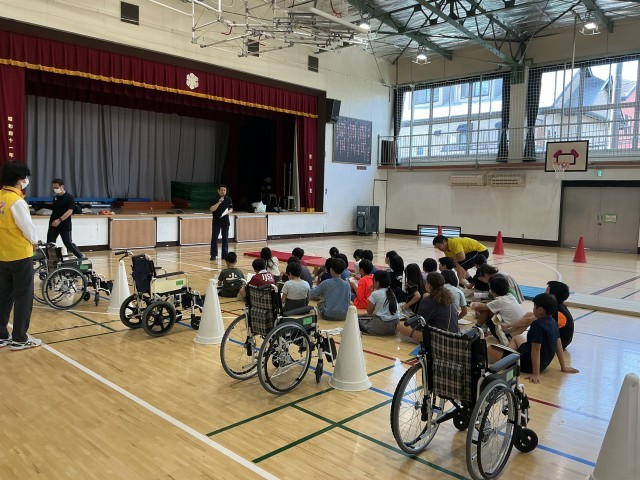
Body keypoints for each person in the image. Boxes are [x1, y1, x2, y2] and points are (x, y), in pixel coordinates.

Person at [488, 293, 579, 384]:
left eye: (534, 307)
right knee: (517, 337)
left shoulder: (537, 325)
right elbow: (558, 344)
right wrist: (563, 367)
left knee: (490, 349)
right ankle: (507, 358)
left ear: (540, 310)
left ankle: (506, 361)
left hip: (528, 364)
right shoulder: (553, 322)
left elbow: (536, 350)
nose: (533, 309)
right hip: (542, 362)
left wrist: (535, 373)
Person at [0, 162, 42, 350]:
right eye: (25, 178)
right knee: (23, 296)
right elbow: (27, 228)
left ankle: (1, 335)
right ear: (20, 180)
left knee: (4, 295)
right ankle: (19, 338)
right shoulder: (16, 201)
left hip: (2, 254)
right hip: (19, 254)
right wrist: (35, 241)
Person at [397, 272, 458, 343]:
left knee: (400, 328)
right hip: (454, 335)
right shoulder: (449, 298)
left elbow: (418, 323)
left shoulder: (429, 301)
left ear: (429, 285)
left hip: (439, 338)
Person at [471, 275, 531, 345]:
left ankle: (476, 329)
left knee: (486, 309)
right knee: (491, 308)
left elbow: (480, 307)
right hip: (515, 329)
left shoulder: (499, 301)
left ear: (492, 290)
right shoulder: (510, 296)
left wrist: (473, 304)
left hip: (505, 332)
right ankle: (485, 330)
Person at [47, 178, 83, 258]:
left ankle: (80, 257)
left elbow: (69, 211)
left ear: (62, 186)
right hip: (53, 224)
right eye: (53, 187)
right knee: (50, 243)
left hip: (64, 224)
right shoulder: (55, 198)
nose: (54, 189)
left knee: (68, 243)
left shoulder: (69, 197)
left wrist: (59, 220)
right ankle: (51, 260)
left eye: (56, 187)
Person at [358, 270, 399, 336]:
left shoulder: (375, 293)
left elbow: (369, 312)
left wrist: (371, 293)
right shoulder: (391, 293)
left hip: (382, 326)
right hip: (394, 327)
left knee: (356, 322)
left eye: (373, 281)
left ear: (377, 282)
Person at [547, 281, 574, 349]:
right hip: (562, 340)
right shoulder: (560, 306)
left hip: (559, 344)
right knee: (530, 315)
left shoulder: (555, 311)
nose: (544, 293)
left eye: (546, 291)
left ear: (553, 296)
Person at [209, 184, 233, 261]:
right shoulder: (214, 199)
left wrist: (229, 211)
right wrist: (219, 202)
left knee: (225, 238)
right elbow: (212, 209)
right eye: (222, 190)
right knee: (214, 238)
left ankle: (224, 255)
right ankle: (213, 255)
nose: (223, 191)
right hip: (216, 221)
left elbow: (231, 208)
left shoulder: (228, 199)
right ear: (218, 191)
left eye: (224, 190)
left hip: (225, 221)